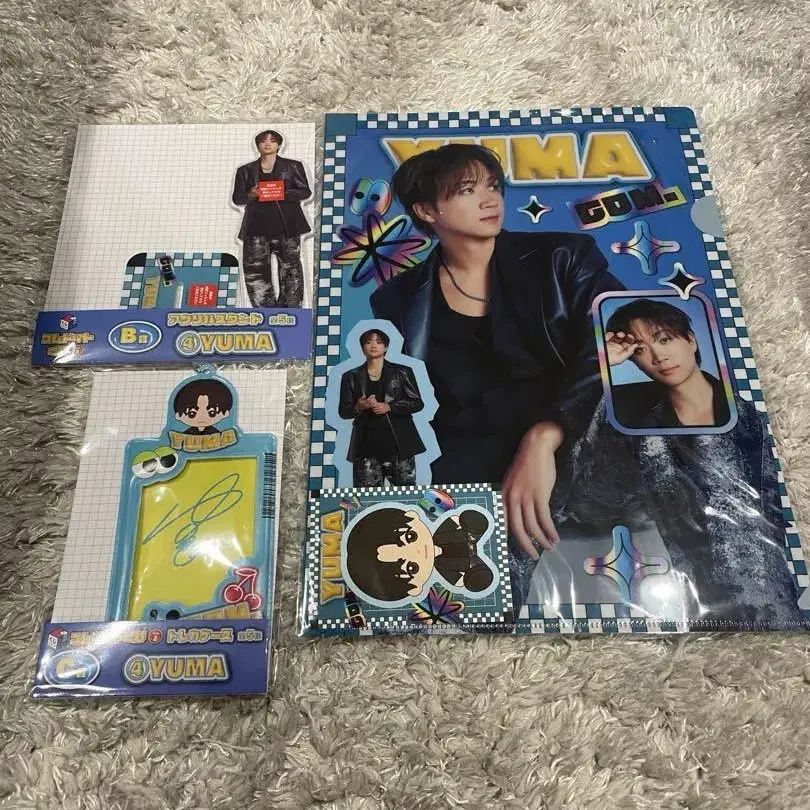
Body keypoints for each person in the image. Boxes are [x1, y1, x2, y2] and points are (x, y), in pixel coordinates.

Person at [370, 143, 625, 558]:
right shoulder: (397, 300)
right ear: (427, 210)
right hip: (465, 467)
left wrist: (544, 435)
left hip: (575, 439)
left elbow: (620, 345)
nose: (490, 200)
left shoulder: (562, 258)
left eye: (492, 185)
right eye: (467, 190)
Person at [604, 298, 730, 428]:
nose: (659, 357)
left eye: (664, 340)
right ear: (632, 359)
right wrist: (600, 360)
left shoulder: (736, 403)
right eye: (640, 349)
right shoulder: (619, 404)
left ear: (691, 341)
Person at [345, 507, 494, 603]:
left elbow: (455, 519)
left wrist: (468, 523)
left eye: (410, 536)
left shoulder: (442, 532)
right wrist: (471, 577)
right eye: (411, 568)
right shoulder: (444, 569)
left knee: (473, 523)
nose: (417, 552)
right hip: (471, 566)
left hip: (467, 536)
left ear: (412, 515)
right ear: (415, 589)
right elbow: (459, 581)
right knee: (477, 578)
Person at [232, 129, 311, 308]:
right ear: (257, 145)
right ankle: (264, 312)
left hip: (287, 226)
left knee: (291, 270)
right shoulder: (245, 170)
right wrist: (251, 194)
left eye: (272, 140)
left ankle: (291, 312)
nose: (267, 144)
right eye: (263, 141)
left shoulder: (293, 166)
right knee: (255, 271)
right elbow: (237, 199)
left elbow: (305, 192)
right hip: (255, 227)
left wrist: (282, 192)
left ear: (279, 144)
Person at [338, 329, 426, 486]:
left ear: (386, 347)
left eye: (378, 342)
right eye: (368, 342)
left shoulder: (402, 371)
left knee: (405, 493)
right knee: (366, 496)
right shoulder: (350, 376)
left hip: (399, 446)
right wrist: (359, 407)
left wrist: (390, 406)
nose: (373, 345)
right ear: (362, 347)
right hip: (365, 447)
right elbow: (344, 412)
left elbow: (417, 402)